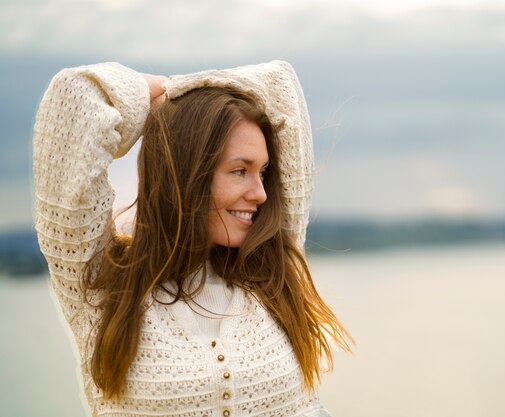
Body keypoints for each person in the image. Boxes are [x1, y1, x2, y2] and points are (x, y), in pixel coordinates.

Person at [33, 61, 352, 417]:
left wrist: (188, 89)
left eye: (263, 173)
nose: (260, 193)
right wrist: (172, 96)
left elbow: (282, 87)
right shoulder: (104, 289)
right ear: (186, 173)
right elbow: (74, 96)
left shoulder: (272, 277)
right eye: (239, 171)